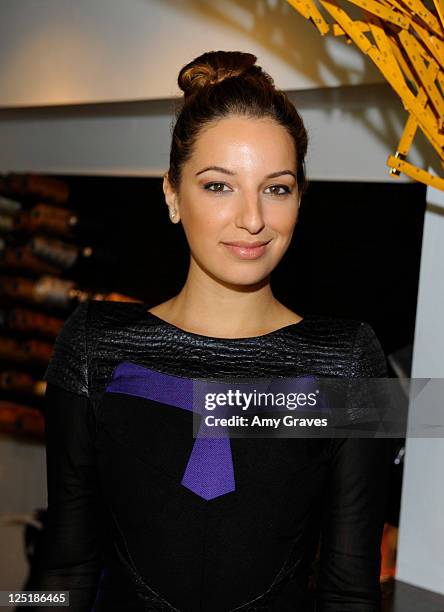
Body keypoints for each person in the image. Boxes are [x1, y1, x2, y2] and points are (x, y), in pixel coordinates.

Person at [24, 50, 394, 611]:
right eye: (219, 186)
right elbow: (62, 573)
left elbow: (349, 594)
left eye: (277, 188)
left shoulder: (345, 358)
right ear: (172, 194)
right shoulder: (95, 344)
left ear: (300, 199)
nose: (252, 218)